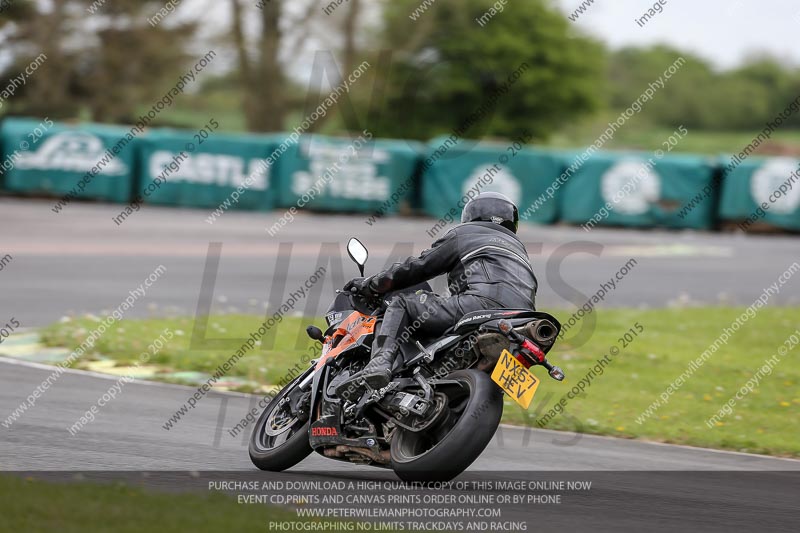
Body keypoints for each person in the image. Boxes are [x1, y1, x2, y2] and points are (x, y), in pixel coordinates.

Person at [336, 192, 538, 398]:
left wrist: (373, 284)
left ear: (472, 215)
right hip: (524, 324)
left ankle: (379, 364)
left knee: (402, 303)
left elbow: (419, 267)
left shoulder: (466, 233)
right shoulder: (519, 250)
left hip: (480, 307)